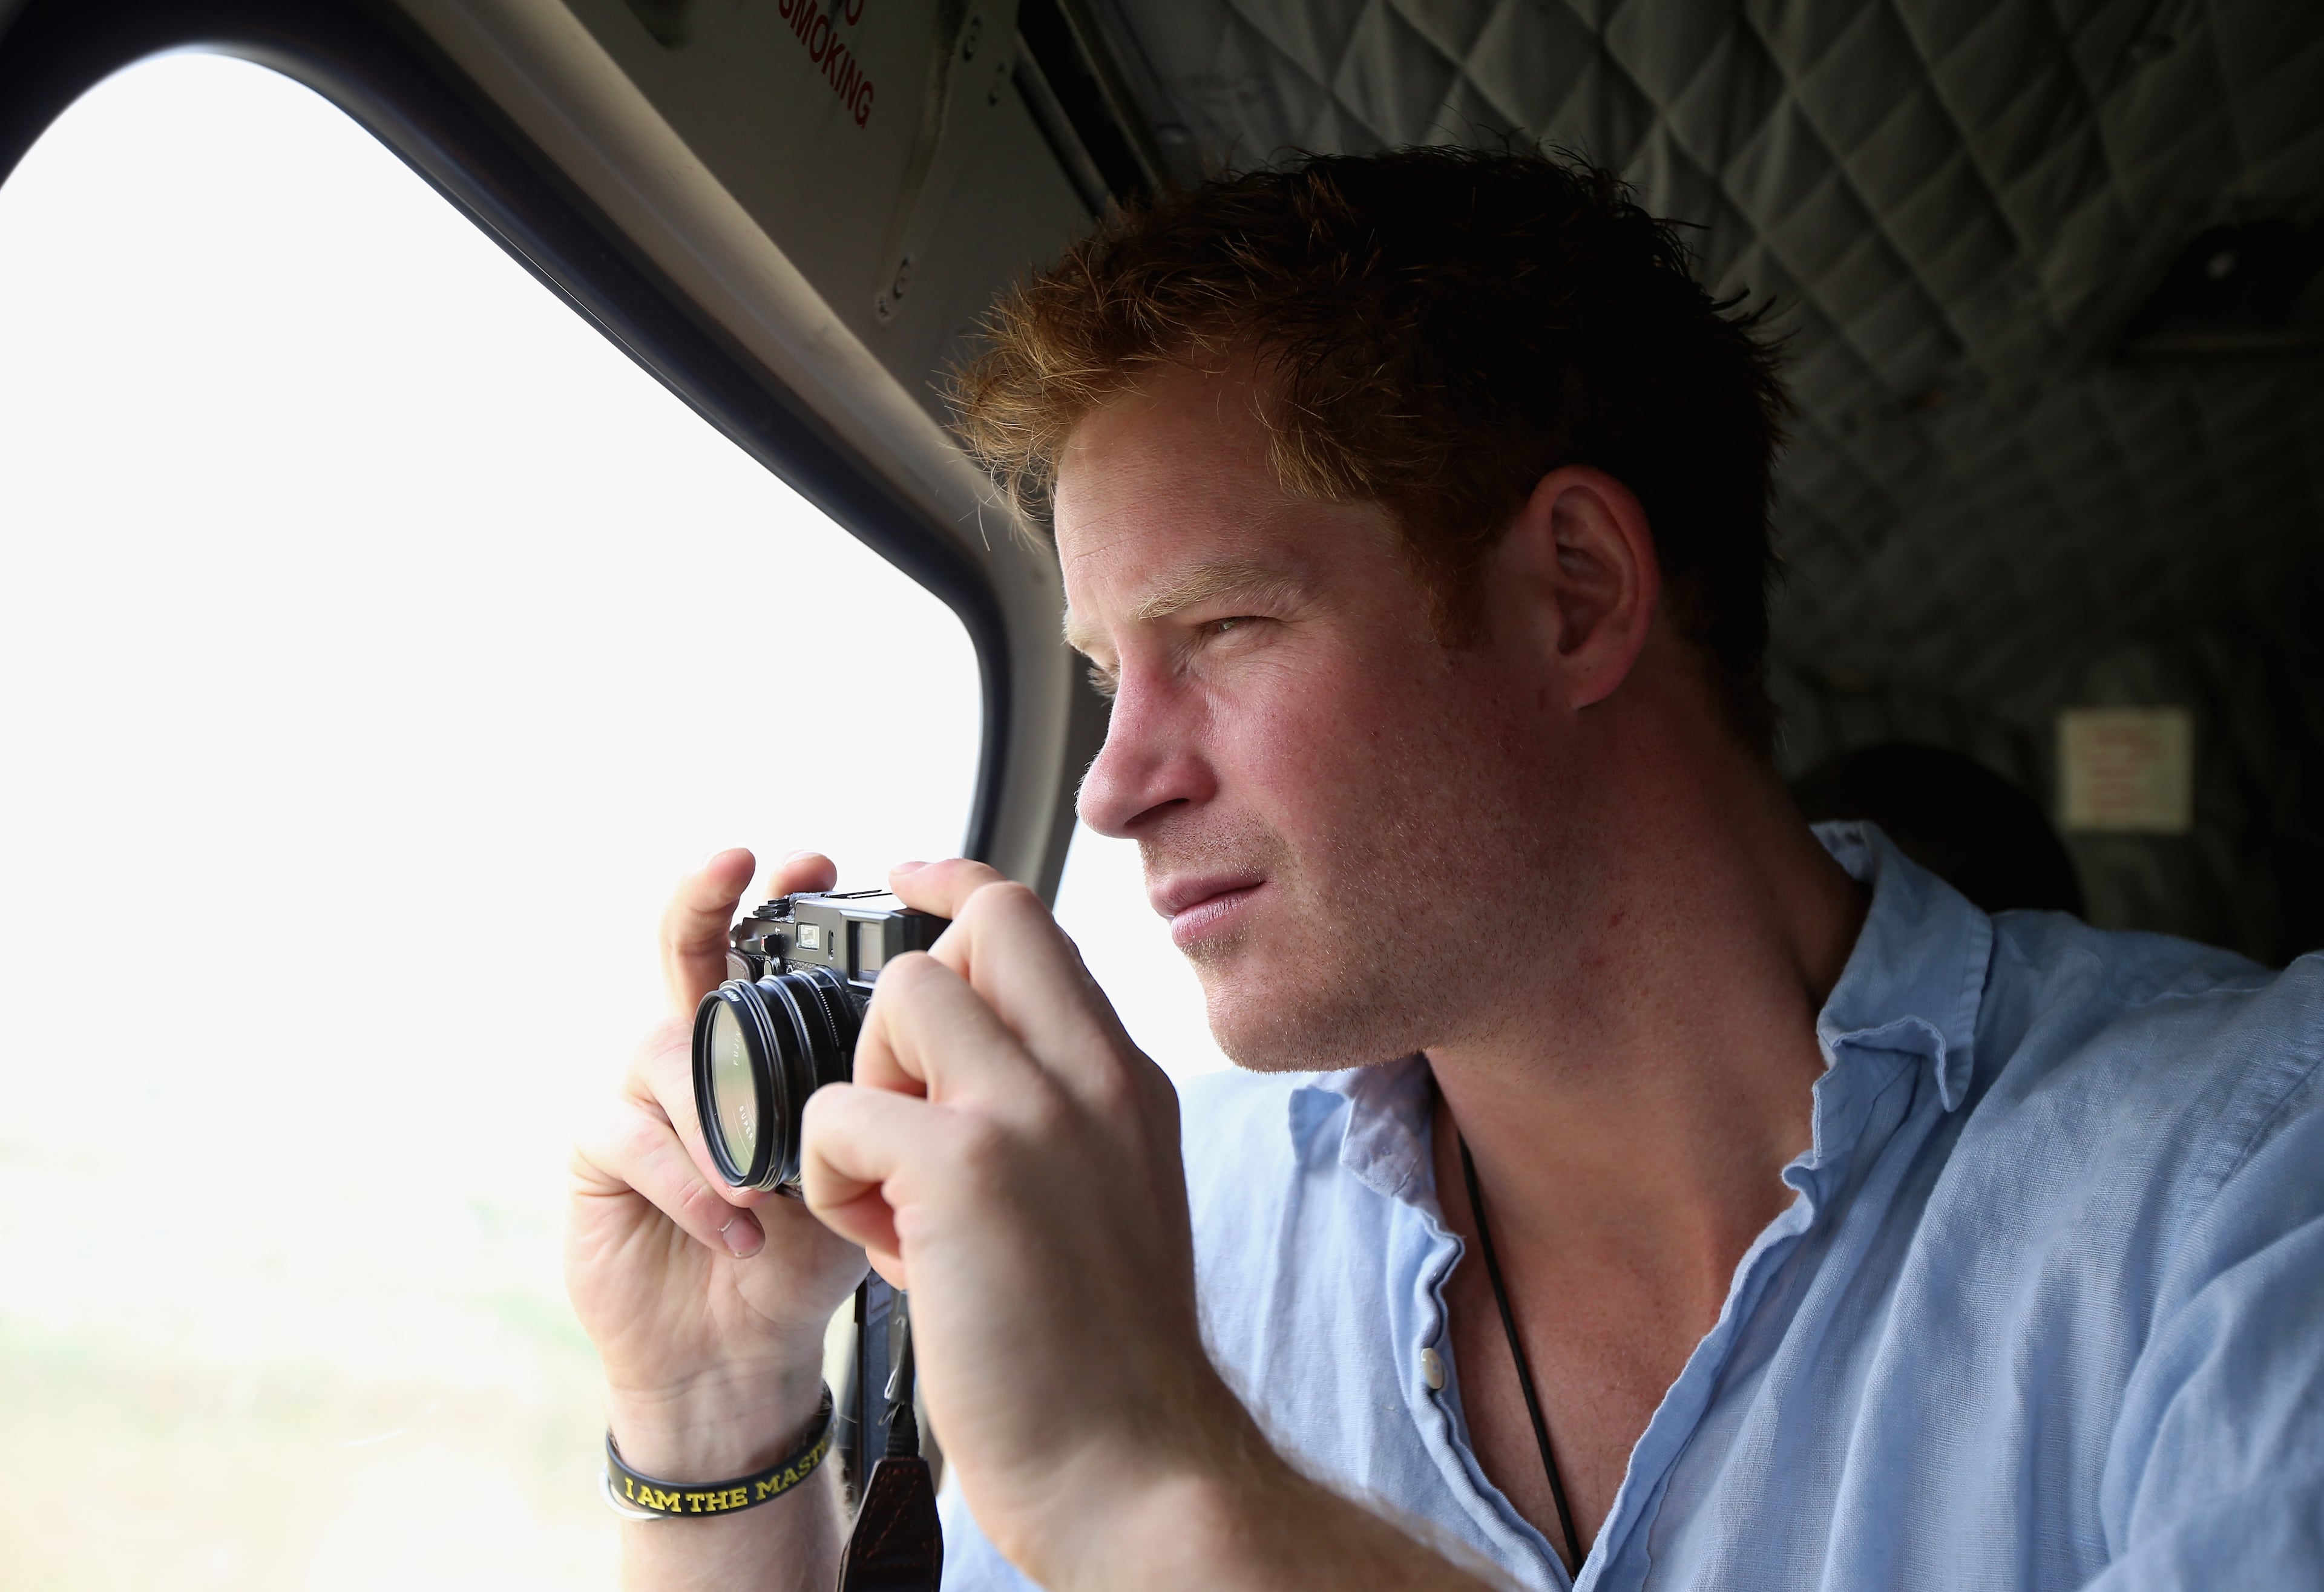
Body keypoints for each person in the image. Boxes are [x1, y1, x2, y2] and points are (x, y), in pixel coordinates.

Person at [565, 149, 2324, 1591]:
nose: (1111, 788)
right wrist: (717, 1415)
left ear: (1573, 593)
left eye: (1225, 630)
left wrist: (1156, 1485)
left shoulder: (2255, 1175)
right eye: (1106, 678)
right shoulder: (1177, 1223)